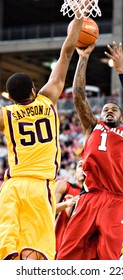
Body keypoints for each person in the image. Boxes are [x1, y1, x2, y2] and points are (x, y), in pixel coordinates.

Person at [0, 8, 87, 260]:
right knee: (36, 254)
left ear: (11, 98)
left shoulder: (6, 115)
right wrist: (79, 14)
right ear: (34, 88)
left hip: (13, 186)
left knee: (9, 252)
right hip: (40, 186)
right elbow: (66, 52)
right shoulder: (48, 99)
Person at [58, 41, 123, 260]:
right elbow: (78, 95)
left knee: (108, 259)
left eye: (114, 109)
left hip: (115, 199)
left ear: (121, 117)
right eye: (106, 109)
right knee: (67, 255)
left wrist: (121, 71)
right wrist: (83, 57)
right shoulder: (92, 126)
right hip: (89, 197)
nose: (109, 111)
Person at [55, 159, 84, 258]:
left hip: (81, 250)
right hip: (59, 245)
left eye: (87, 166)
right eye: (80, 166)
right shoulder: (64, 185)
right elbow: (46, 210)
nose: (83, 169)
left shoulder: (95, 196)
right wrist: (66, 204)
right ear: (75, 173)